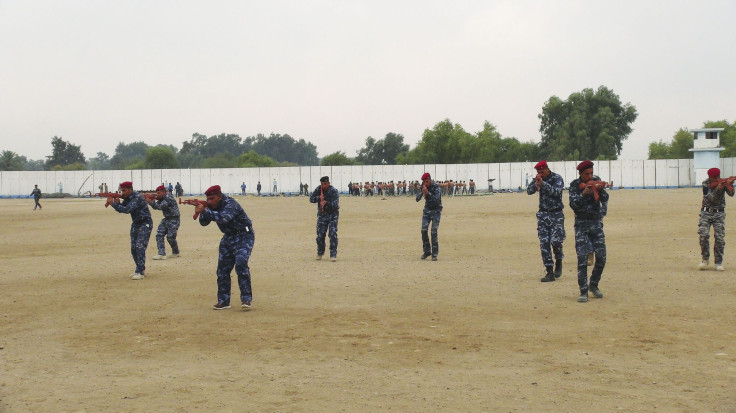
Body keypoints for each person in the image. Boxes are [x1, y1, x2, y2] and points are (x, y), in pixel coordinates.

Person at [195, 185, 255, 310]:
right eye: (208, 199)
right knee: (222, 270)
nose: (210, 201)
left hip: (244, 235)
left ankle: (246, 299)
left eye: (212, 199)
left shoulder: (230, 203)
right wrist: (202, 211)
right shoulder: (211, 206)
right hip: (228, 238)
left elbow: (223, 219)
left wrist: (206, 211)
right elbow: (203, 223)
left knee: (241, 263)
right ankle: (223, 301)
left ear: (219, 197)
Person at [569, 160, 609, 302]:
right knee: (582, 258)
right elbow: (573, 205)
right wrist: (583, 194)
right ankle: (583, 291)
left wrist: (600, 189)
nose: (590, 176)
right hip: (581, 224)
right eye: (587, 174)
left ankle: (594, 284)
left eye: (591, 173)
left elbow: (605, 199)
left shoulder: (596, 181)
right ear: (580, 174)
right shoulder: (574, 185)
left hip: (596, 223)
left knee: (602, 257)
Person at [526, 161, 565, 282]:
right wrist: (536, 184)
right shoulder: (538, 178)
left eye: (542, 172)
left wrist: (543, 184)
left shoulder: (557, 178)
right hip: (543, 214)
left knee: (556, 241)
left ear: (548, 169)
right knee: (544, 243)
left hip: (556, 214)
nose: (540, 174)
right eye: (538, 172)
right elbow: (529, 191)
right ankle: (549, 271)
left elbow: (556, 192)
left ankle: (559, 260)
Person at [109, 181, 153, 280]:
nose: (122, 193)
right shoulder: (129, 198)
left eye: (124, 190)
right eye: (121, 190)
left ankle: (140, 271)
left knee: (139, 247)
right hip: (136, 223)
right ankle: (139, 269)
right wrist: (117, 203)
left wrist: (113, 204)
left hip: (145, 223)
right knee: (133, 248)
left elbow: (127, 209)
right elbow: (122, 208)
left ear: (130, 190)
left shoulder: (136, 197)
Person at [698, 167, 734, 271]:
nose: (717, 178)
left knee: (719, 238)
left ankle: (718, 262)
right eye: (715, 177)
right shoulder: (705, 184)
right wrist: (718, 189)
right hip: (706, 212)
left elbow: (731, 194)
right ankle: (705, 259)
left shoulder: (722, 182)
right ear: (709, 177)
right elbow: (709, 198)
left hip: (719, 214)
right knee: (703, 236)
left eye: (718, 176)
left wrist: (729, 184)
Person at [309, 176, 340, 261]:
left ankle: (333, 254)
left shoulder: (333, 190)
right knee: (320, 235)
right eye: (322, 184)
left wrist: (327, 203)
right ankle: (320, 252)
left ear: (329, 183)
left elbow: (336, 204)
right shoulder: (319, 189)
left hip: (332, 214)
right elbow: (311, 199)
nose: (324, 185)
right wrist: (319, 198)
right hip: (322, 215)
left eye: (325, 184)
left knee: (332, 234)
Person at [148, 184, 181, 260]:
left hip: (174, 219)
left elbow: (160, 207)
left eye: (158, 193)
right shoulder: (162, 198)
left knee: (170, 237)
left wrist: (150, 202)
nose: (157, 195)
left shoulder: (168, 197)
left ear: (163, 192)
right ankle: (161, 253)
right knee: (159, 234)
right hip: (166, 219)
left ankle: (175, 252)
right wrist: (152, 200)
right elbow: (156, 206)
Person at [416, 172, 442, 261]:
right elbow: (417, 199)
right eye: (424, 182)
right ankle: (427, 251)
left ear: (430, 179)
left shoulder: (436, 187)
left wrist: (428, 193)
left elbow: (437, 200)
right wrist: (422, 192)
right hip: (427, 211)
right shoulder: (424, 187)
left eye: (426, 181)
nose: (425, 183)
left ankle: (434, 254)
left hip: (436, 211)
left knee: (433, 231)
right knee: (423, 230)